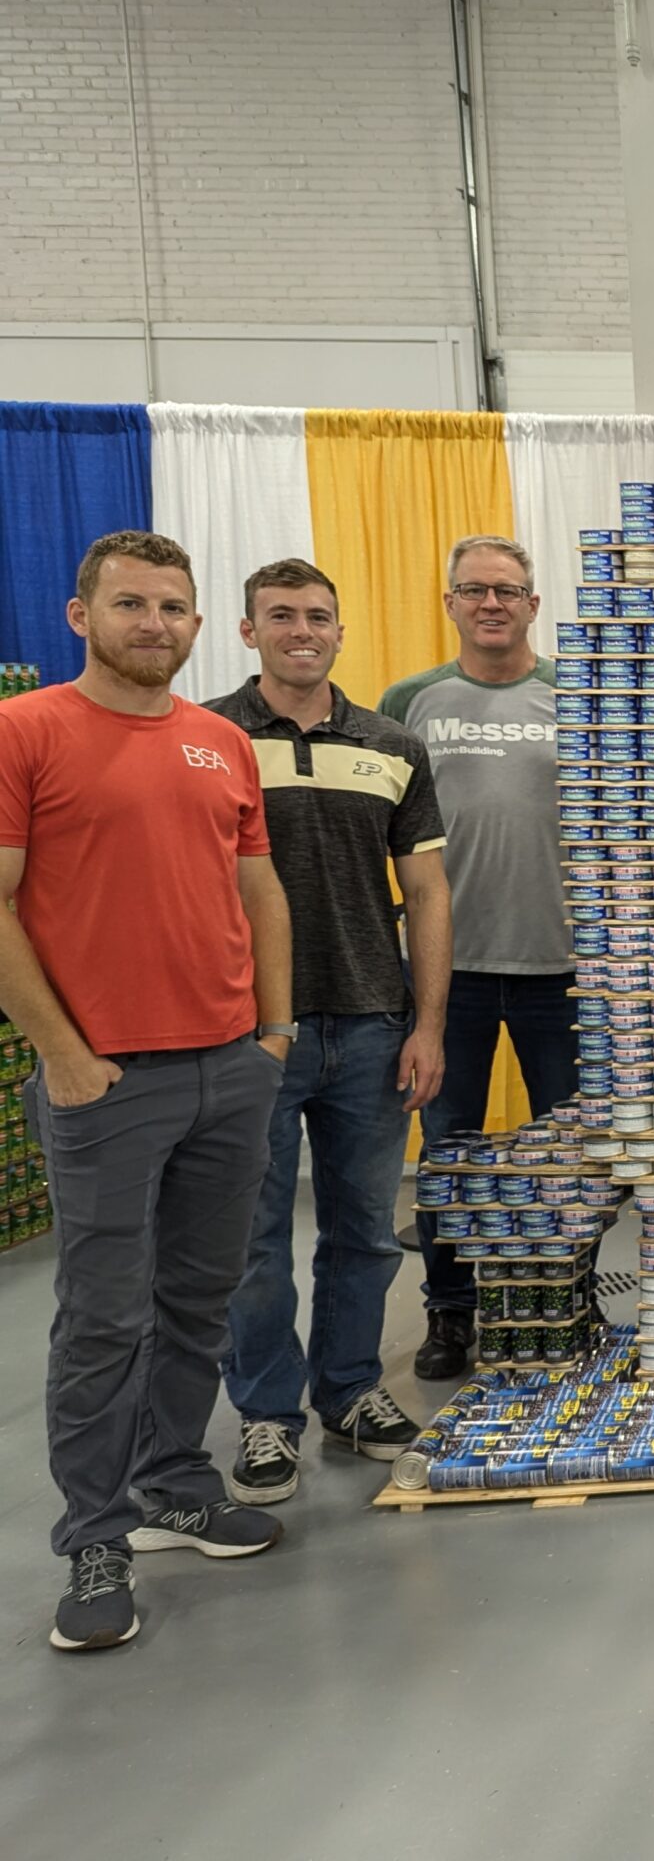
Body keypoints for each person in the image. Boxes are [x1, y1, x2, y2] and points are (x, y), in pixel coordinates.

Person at [0, 531, 294, 1653]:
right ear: (81, 616)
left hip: (229, 1065)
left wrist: (272, 1031)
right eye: (129, 604)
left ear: (197, 623)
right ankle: (95, 1532)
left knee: (197, 1298)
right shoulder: (24, 732)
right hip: (107, 1076)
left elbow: (256, 887)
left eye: (172, 606)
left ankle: (174, 1481)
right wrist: (65, 1056)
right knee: (101, 1318)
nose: (153, 623)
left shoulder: (221, 741)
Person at [206, 559, 452, 1504]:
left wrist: (427, 1022)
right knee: (252, 1237)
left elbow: (426, 892)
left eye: (317, 616)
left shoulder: (392, 745)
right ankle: (268, 1414)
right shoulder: (208, 737)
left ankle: (349, 1391)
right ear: (248, 630)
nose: (300, 630)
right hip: (246, 1032)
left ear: (340, 633)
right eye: (280, 616)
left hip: (370, 1025)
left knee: (362, 1232)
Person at [383, 535, 575, 1382]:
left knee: (572, 1150)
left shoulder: (576, 694)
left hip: (563, 966)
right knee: (449, 1148)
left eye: (509, 590)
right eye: (475, 589)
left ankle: (566, 1295)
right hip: (444, 976)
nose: (492, 603)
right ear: (451, 602)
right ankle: (450, 1313)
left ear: (534, 604)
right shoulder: (411, 700)